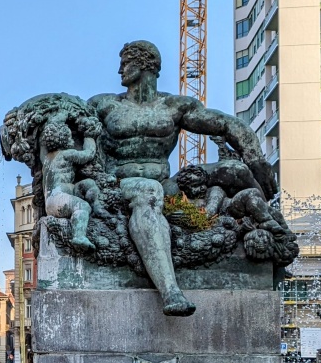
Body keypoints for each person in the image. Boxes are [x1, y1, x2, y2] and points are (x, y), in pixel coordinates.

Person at [87, 41, 275, 316]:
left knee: (235, 170)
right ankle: (171, 292)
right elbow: (67, 122)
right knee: (148, 192)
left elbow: (227, 124)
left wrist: (256, 158)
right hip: (119, 185)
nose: (120, 70)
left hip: (165, 185)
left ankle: (270, 234)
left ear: (144, 65)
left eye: (125, 63)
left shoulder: (174, 107)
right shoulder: (104, 105)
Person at [41, 119, 102, 250]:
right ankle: (78, 236)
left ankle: (98, 208)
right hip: (59, 200)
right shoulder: (66, 154)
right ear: (65, 139)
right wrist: (89, 136)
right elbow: (88, 154)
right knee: (83, 206)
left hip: (52, 201)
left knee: (88, 183)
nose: (73, 140)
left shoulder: (46, 159)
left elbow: (42, 145)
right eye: (70, 136)